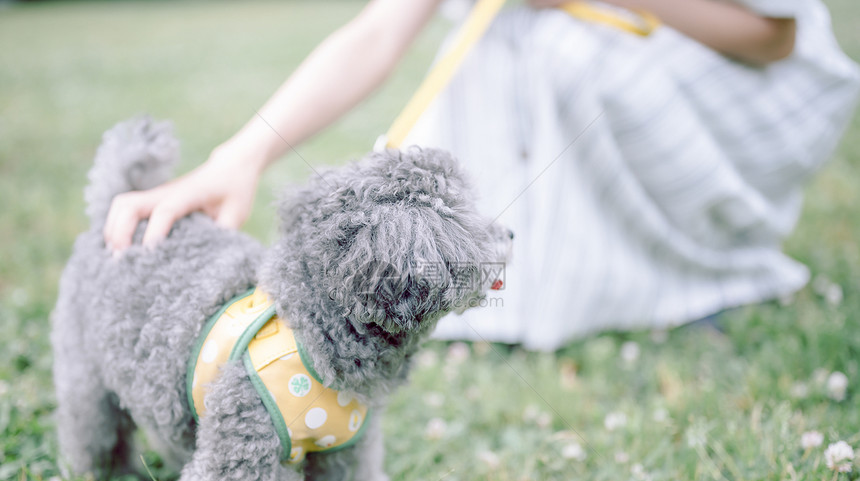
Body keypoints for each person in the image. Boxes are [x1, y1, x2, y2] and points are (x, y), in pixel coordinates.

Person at [104, 0, 860, 351]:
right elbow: (376, 32)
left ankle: (690, 273)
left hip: (735, 83)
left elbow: (771, 35)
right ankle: (543, 290)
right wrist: (239, 156)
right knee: (497, 38)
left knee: (556, 46)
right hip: (602, 69)